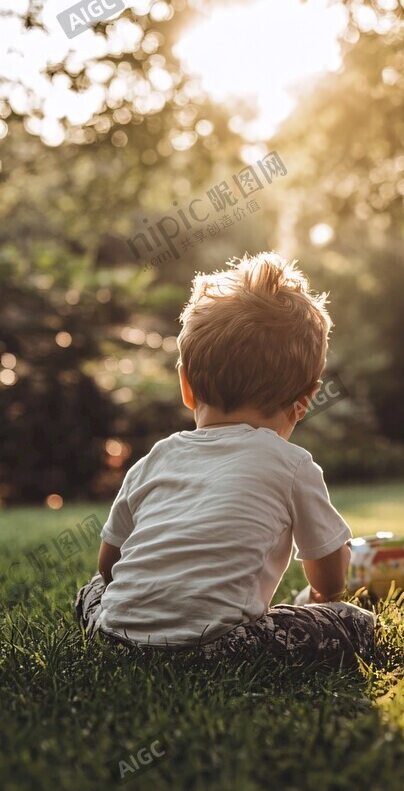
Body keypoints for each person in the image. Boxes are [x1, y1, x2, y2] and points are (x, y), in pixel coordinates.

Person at [74, 252, 375, 667]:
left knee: (91, 591)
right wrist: (322, 598)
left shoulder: (154, 459)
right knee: (353, 622)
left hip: (115, 638)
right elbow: (331, 577)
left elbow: (109, 567)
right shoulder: (292, 464)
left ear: (186, 384)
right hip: (218, 648)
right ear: (304, 401)